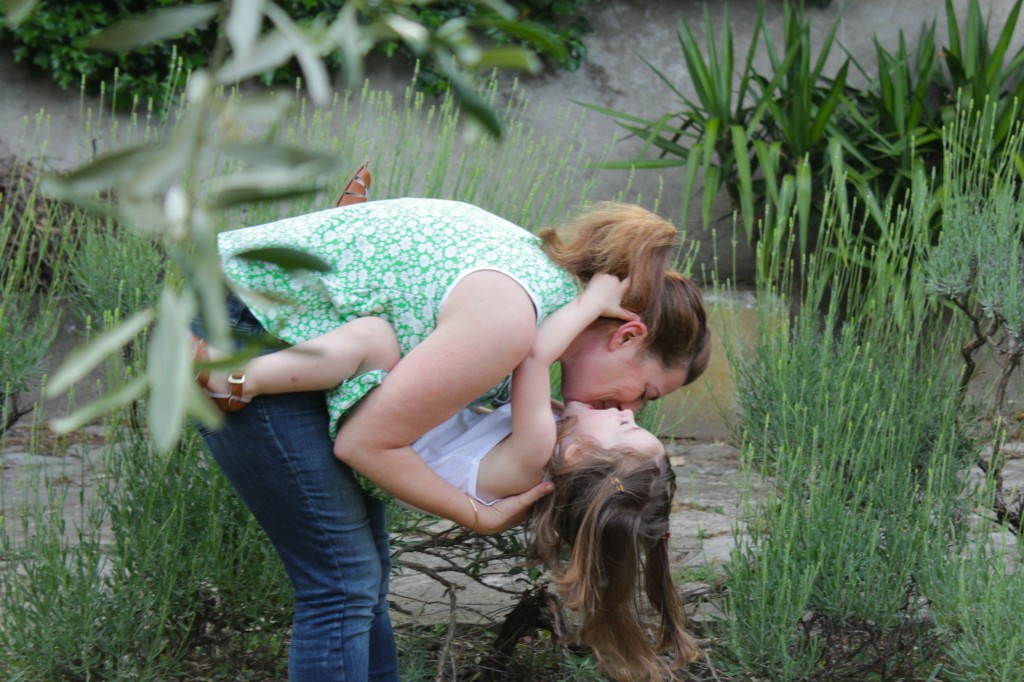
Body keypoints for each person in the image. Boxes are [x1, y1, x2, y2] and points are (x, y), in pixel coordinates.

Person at [196, 190, 709, 681]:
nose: (629, 409)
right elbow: (366, 443)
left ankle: (336, 273)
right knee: (345, 588)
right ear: (626, 334)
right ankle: (244, 368)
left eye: (630, 417)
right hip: (248, 317)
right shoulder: (515, 325)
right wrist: (476, 516)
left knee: (360, 584)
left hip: (307, 343)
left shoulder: (545, 293)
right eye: (643, 395)